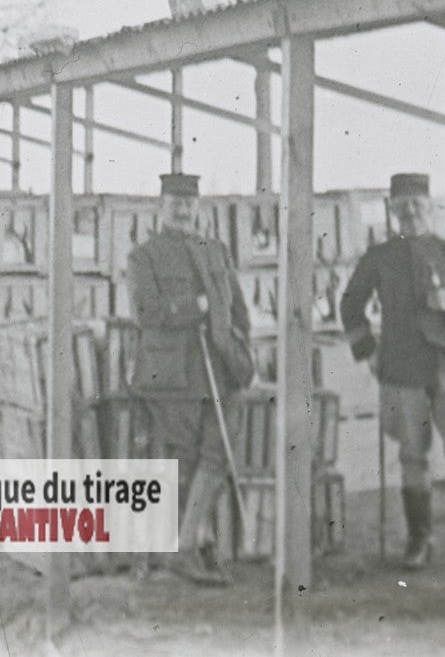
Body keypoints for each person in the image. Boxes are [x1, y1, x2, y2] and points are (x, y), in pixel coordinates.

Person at [339, 172, 445, 576]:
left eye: (417, 204)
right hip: (401, 368)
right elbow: (350, 305)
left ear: (431, 208)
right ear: (393, 212)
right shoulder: (379, 257)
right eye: (402, 207)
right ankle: (419, 541)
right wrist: (369, 352)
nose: (410, 212)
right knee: (412, 456)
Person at [127, 171, 253, 587]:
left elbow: (238, 308)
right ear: (160, 206)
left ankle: (186, 545)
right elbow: (146, 313)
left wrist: (240, 348)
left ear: (199, 207)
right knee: (184, 458)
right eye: (174, 202)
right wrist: (192, 306)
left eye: (189, 202)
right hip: (173, 373)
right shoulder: (144, 256)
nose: (182, 209)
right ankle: (197, 541)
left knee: (218, 453)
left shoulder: (215, 250)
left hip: (219, 366)